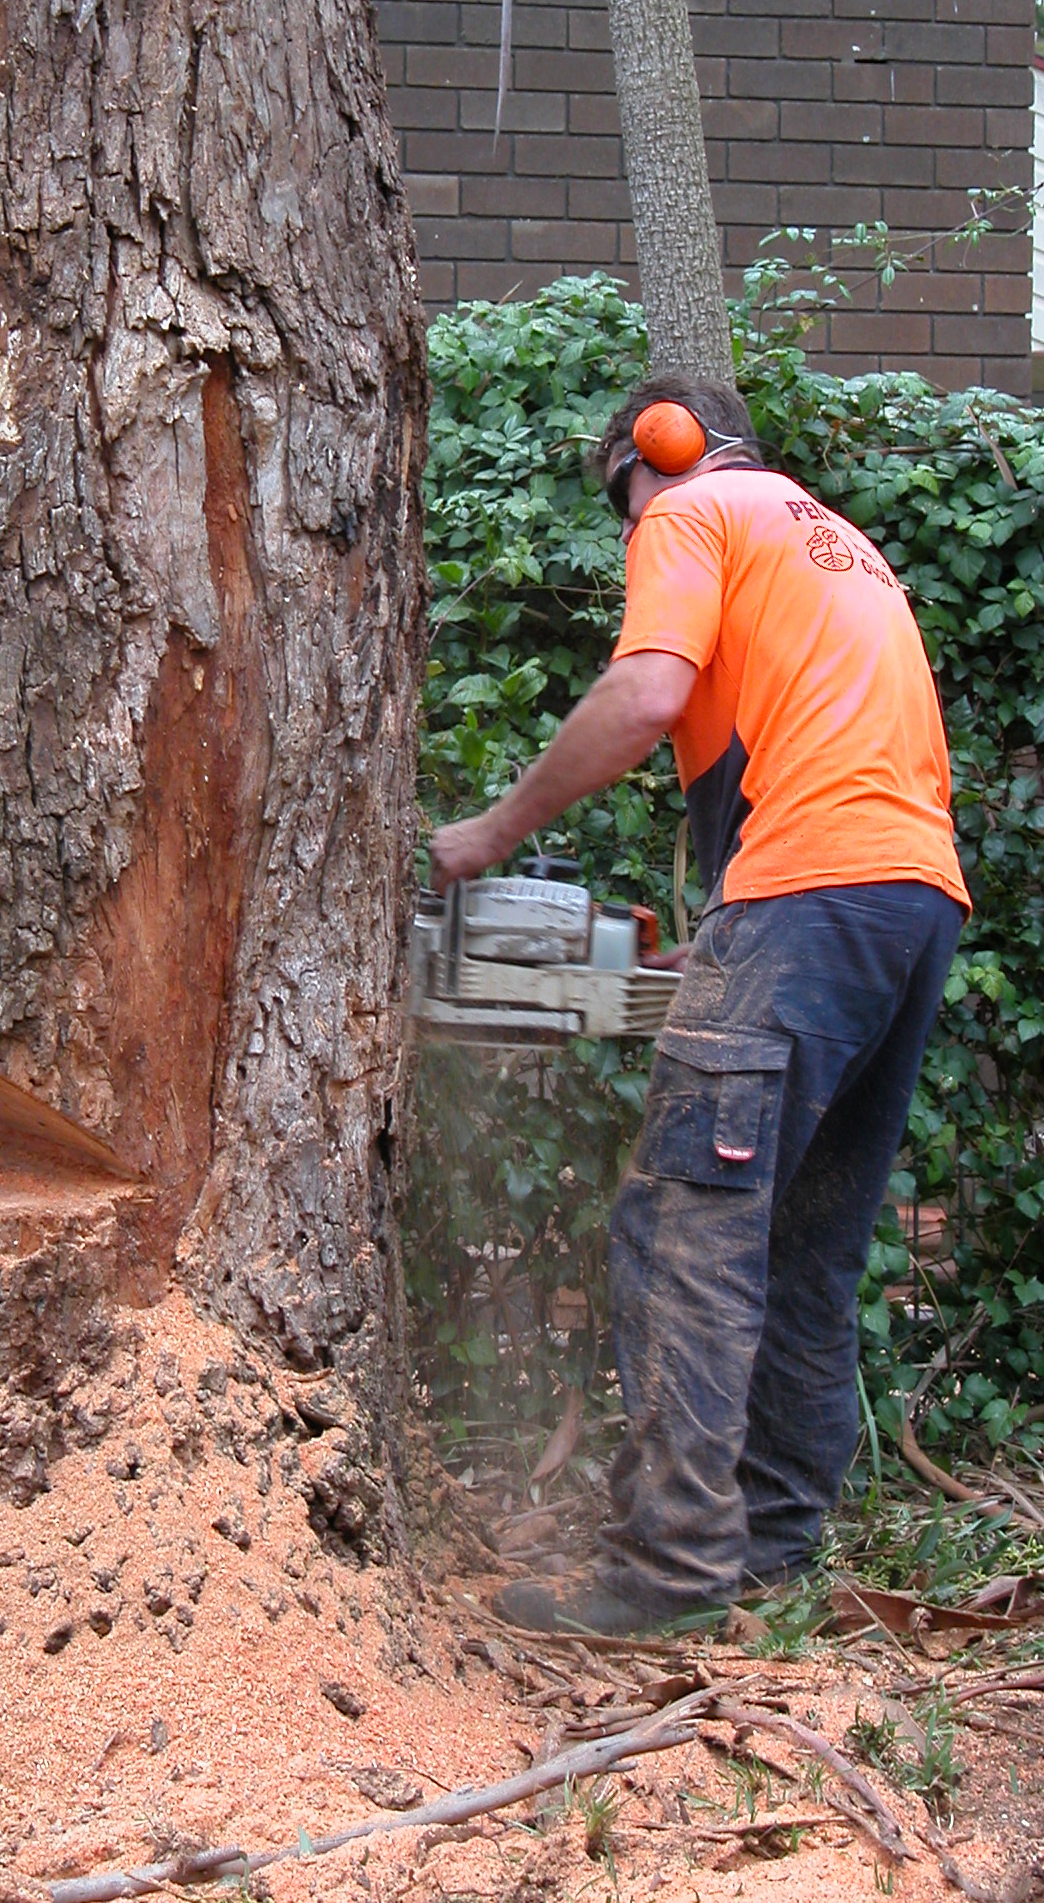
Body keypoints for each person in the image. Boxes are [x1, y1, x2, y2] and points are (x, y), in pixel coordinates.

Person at [429, 374, 968, 1636]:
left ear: (656, 450)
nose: (630, 531)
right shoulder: (837, 539)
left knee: (683, 1229)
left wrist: (493, 832)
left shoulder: (692, 513)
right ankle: (773, 1547)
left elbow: (649, 694)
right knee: (806, 1246)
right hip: (911, 903)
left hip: (808, 890)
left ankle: (665, 1571)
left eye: (624, 498)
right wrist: (725, 960)